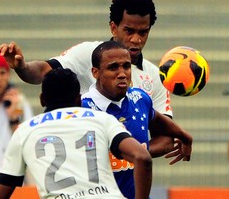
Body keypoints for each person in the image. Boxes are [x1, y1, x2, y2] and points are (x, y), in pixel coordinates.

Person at [0, 0, 172, 118]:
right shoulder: (88, 53)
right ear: (113, 27)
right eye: (129, 31)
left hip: (128, 168)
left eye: (143, 32)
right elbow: (43, 71)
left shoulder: (155, 76)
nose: (136, 39)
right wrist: (23, 67)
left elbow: (165, 136)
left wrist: (123, 150)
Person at [0, 68, 152, 199]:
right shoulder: (103, 119)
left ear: (42, 100)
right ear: (79, 100)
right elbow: (142, 157)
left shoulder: (25, 130)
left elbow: (4, 187)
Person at [81, 41, 192, 199]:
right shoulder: (81, 110)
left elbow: (157, 120)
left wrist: (183, 135)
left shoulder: (140, 98)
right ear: (95, 72)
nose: (122, 73)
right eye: (113, 67)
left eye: (126, 66)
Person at [0, 49, 33, 198]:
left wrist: (14, 119)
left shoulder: (19, 103)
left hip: (13, 184)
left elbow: (29, 141)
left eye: (2, 73)